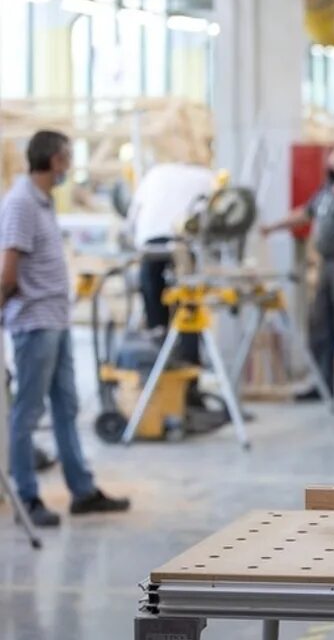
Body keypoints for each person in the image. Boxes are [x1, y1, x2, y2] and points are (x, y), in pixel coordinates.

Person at [1, 130, 130, 527]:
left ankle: (82, 491)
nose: (70, 168)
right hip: (35, 324)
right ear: (54, 161)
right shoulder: (22, 203)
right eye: (67, 159)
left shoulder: (42, 203)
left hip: (55, 322)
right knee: (27, 413)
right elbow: (8, 269)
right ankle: (27, 497)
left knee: (66, 408)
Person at [260, 146, 334, 403]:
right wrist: (273, 227)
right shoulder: (325, 191)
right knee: (320, 325)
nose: (332, 169)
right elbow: (305, 213)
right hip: (326, 263)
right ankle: (322, 384)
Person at [128, 162, 214, 370]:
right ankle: (188, 360)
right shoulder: (206, 177)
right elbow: (211, 218)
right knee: (189, 300)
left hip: (151, 241)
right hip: (184, 244)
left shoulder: (155, 174)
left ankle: (158, 344)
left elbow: (132, 217)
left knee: (157, 299)